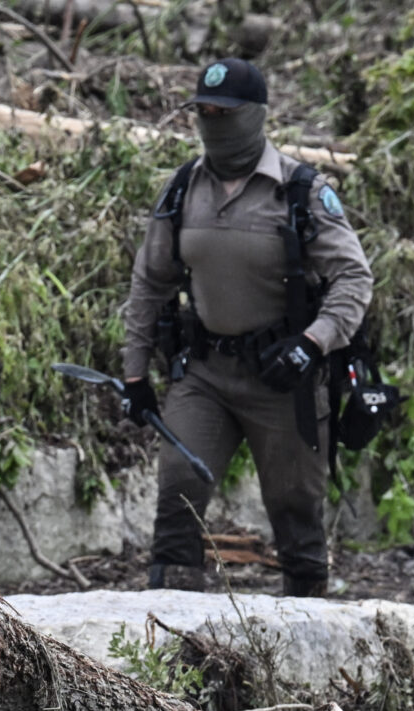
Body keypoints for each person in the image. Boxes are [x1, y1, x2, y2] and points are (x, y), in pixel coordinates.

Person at [118, 56, 374, 598]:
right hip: (205, 374)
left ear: (256, 116)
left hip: (284, 380)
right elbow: (150, 282)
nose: (213, 122)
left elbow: (354, 278)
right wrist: (135, 376)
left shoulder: (300, 191)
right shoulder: (184, 187)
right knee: (179, 489)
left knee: (294, 505)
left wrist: (313, 343)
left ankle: (309, 625)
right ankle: (169, 629)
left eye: (225, 112)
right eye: (203, 112)